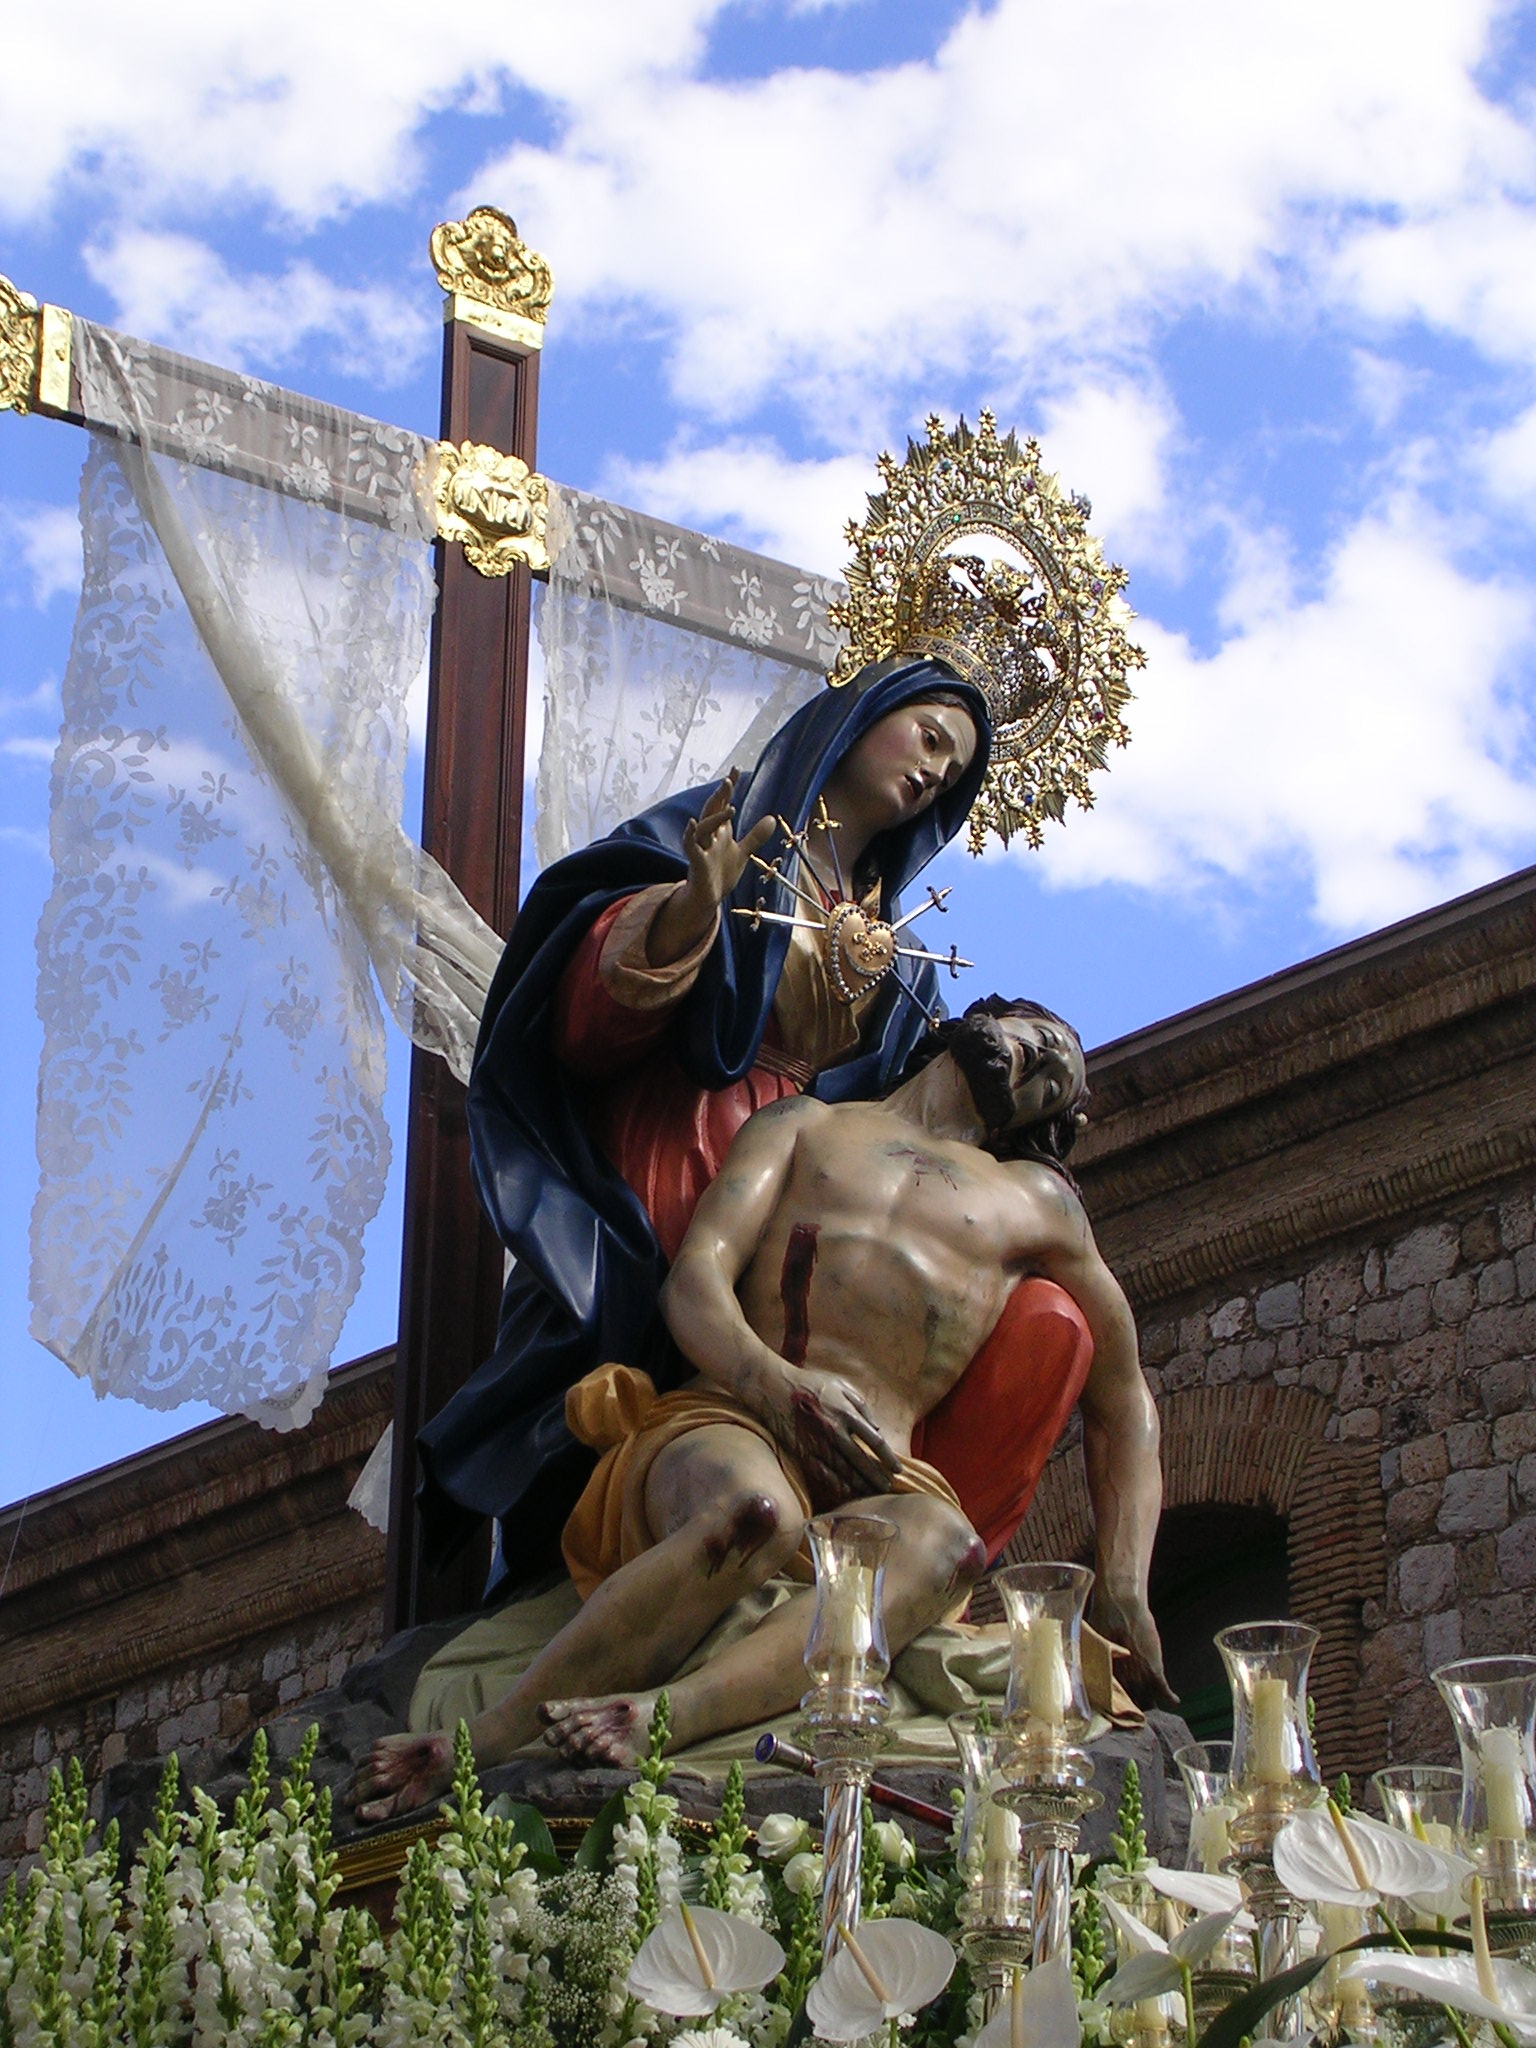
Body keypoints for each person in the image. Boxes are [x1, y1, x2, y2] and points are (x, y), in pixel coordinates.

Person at [352, 999, 1170, 1817]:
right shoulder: (804, 1127)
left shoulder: (1036, 1204)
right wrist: (778, 1384)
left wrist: (1126, 1582)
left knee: (948, 1545)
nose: (1038, 1063)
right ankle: (485, 1739)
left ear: (1048, 1121)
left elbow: (1124, 1396)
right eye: (1038, 1038)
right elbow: (697, 1278)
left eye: (1057, 1080)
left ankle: (658, 1717)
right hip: (734, 1419)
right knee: (755, 1512)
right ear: (978, 1020)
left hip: (879, 1483)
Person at [415, 658, 994, 1588]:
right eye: (929, 737)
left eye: (954, 772)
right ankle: (584, 1580)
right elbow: (576, 1014)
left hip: (806, 1187)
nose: (934, 772)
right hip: (680, 1144)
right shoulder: (727, 833)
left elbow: (902, 1115)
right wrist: (689, 908)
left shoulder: (906, 946)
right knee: (640, 1337)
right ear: (859, 718)